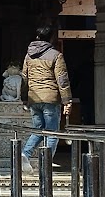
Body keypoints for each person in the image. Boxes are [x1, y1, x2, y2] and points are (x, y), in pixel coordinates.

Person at [21, 26, 74, 163]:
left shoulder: (28, 56)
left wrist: (24, 98)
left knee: (38, 130)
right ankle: (46, 163)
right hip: (50, 99)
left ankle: (25, 154)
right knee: (52, 133)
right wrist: (67, 101)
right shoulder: (56, 55)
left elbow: (24, 78)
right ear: (51, 38)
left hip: (34, 98)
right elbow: (62, 80)